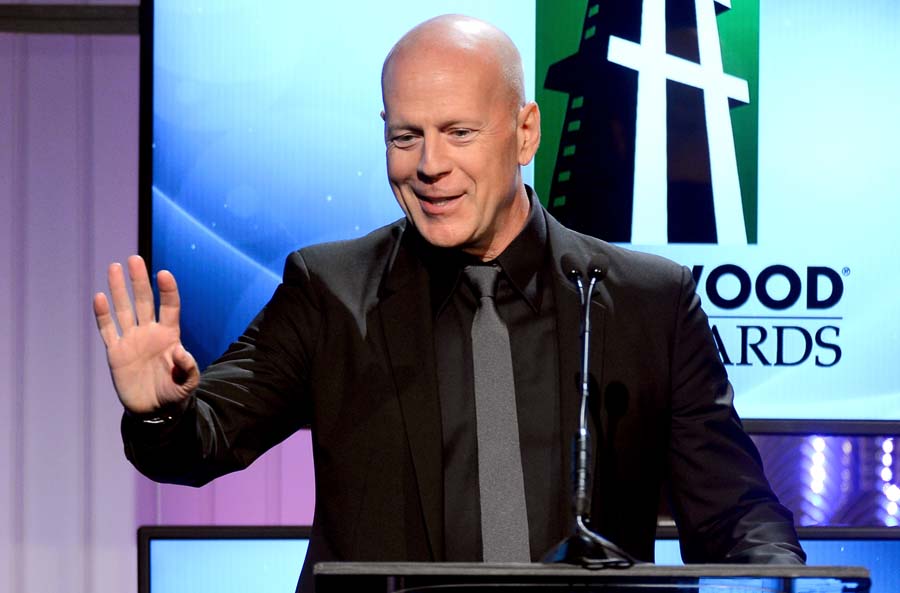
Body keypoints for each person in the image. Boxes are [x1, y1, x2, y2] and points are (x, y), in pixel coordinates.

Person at [93, 14, 804, 593]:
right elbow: (204, 438)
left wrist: (783, 580)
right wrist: (159, 407)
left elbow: (734, 511)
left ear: (525, 132)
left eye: (459, 132)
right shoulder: (330, 290)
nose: (429, 165)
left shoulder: (647, 302)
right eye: (406, 136)